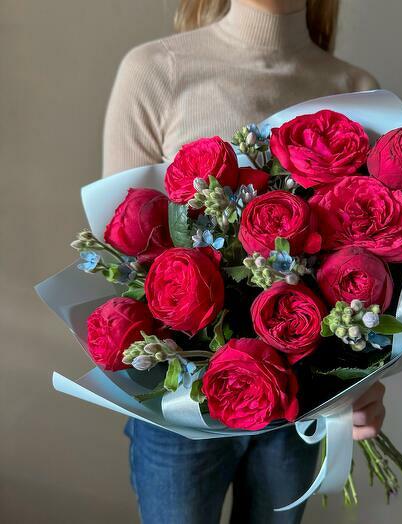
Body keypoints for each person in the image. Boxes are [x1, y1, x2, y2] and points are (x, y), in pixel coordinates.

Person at [103, 1, 386, 522]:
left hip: (298, 405)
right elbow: (128, 257)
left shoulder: (360, 90)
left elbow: (377, 267)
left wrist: (363, 378)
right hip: (182, 411)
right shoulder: (156, 72)